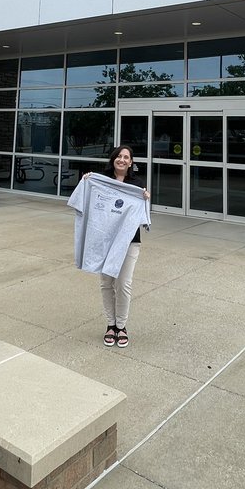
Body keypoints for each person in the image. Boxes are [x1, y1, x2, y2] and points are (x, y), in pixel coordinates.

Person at [84, 145, 149, 348]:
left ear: (131, 162)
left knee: (123, 284)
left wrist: (145, 199)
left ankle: (122, 326)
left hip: (130, 241)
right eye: (118, 156)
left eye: (126, 157)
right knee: (106, 283)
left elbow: (141, 212)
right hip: (105, 240)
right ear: (113, 159)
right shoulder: (100, 181)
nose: (122, 160)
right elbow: (89, 201)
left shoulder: (137, 184)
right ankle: (110, 325)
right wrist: (87, 182)